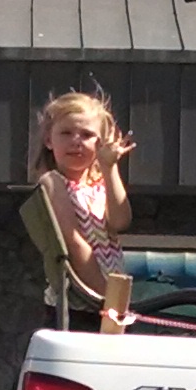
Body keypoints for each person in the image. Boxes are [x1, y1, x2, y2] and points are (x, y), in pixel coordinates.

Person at [34, 89, 136, 309]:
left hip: (109, 296)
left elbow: (120, 222)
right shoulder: (53, 182)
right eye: (66, 133)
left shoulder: (100, 185)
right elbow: (74, 244)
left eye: (87, 135)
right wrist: (105, 298)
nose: (76, 141)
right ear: (48, 141)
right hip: (76, 303)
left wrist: (109, 167)